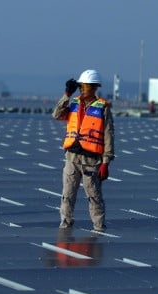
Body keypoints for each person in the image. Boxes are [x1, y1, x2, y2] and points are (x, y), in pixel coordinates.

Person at [52, 69, 115, 231]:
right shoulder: (73, 103)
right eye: (81, 86)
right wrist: (66, 94)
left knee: (94, 196)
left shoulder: (103, 108)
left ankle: (99, 226)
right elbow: (57, 115)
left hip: (91, 161)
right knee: (67, 195)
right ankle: (65, 224)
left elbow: (108, 136)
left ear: (94, 88)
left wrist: (106, 162)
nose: (82, 89)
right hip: (72, 158)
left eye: (85, 86)